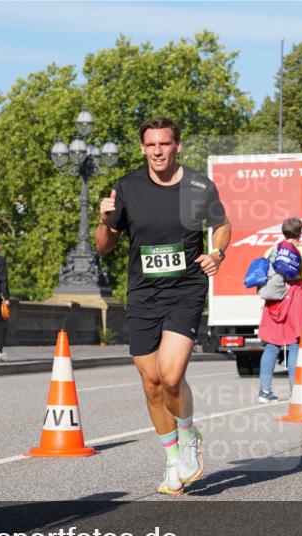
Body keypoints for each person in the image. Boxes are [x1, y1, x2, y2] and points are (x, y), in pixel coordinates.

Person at [96, 117, 230, 495]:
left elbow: (222, 225)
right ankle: (173, 462)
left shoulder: (198, 185)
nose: (158, 151)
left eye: (165, 144)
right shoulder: (127, 187)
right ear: (143, 148)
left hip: (185, 290)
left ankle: (188, 438)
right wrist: (106, 220)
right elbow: (104, 245)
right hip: (142, 295)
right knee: (152, 384)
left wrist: (217, 253)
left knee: (171, 376)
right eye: (151, 145)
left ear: (177, 146)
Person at [257, 217, 302, 404]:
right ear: (300, 233)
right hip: (295, 297)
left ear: (283, 232)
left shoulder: (271, 250)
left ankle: (264, 392)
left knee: (271, 345)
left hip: (274, 300)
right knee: (295, 344)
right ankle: (295, 392)